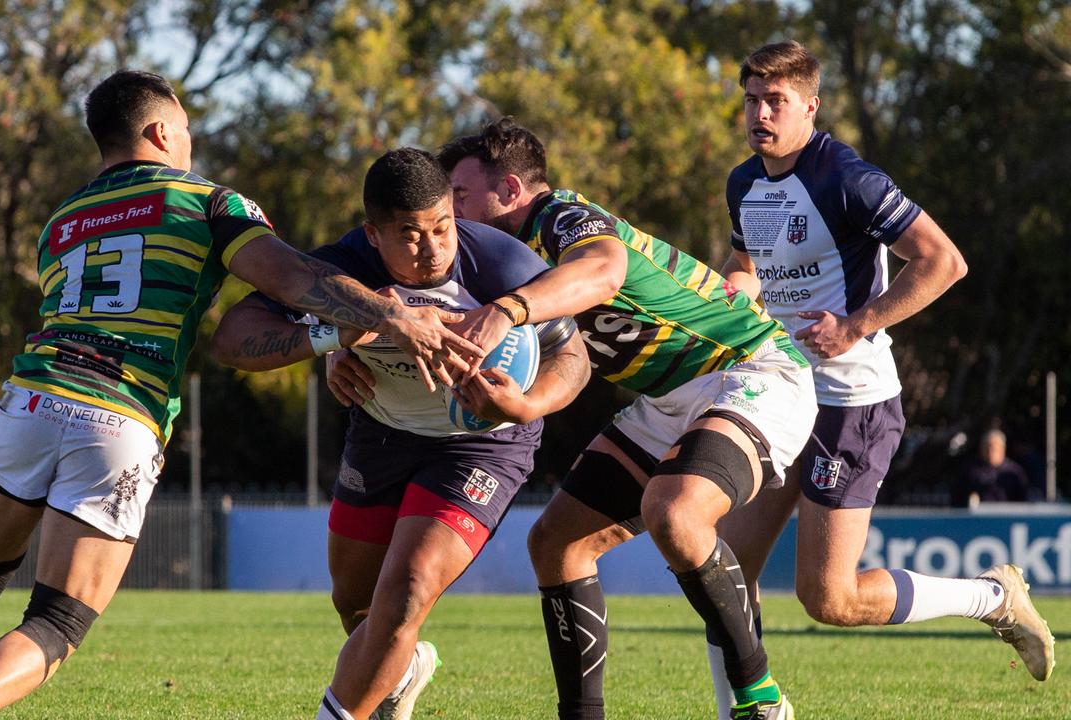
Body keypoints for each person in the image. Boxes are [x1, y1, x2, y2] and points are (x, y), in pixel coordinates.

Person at [0, 71, 481, 720]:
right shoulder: (209, 204)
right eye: (187, 129)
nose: (190, 142)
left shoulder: (63, 218)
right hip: (117, 414)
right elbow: (291, 278)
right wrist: (391, 315)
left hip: (30, 399)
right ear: (162, 132)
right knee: (56, 621)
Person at [706, 39, 1053, 714]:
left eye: (775, 101)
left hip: (851, 402)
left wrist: (856, 325)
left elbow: (943, 262)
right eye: (751, 99)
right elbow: (747, 263)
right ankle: (747, 712)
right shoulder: (743, 183)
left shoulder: (847, 178)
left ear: (809, 105)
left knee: (828, 598)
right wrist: (736, 287)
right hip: (780, 392)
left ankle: (992, 597)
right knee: (720, 571)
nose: (760, 113)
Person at [437, 117, 817, 720]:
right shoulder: (495, 262)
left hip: (752, 369)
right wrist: (523, 404)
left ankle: (761, 700)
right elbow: (577, 365)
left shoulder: (559, 217)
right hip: (668, 400)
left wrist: (506, 312)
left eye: (458, 196)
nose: (447, 214)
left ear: (510, 190)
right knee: (555, 544)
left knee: (675, 510)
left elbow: (606, 270)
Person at [214, 147, 590, 720]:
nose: (433, 248)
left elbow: (575, 358)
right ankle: (406, 667)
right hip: (383, 432)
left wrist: (523, 404)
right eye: (411, 235)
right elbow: (234, 336)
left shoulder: (498, 265)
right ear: (372, 234)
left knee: (408, 591)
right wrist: (336, 338)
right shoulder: (345, 268)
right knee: (357, 605)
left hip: (480, 445)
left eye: (443, 227)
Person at [955, 429, 1035, 506]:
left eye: (995, 447)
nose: (991, 450)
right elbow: (958, 497)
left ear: (1003, 448)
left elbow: (1024, 500)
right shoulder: (971, 470)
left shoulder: (1015, 472)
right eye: (987, 447)